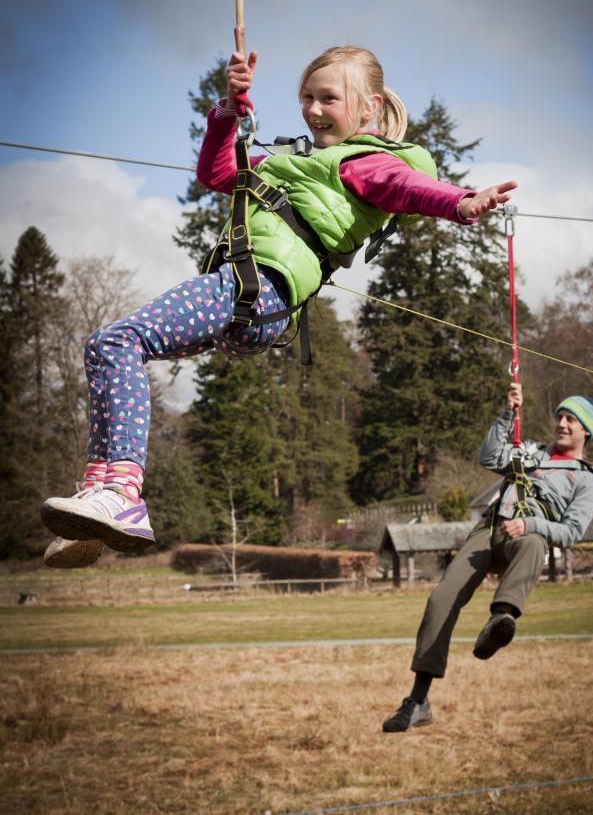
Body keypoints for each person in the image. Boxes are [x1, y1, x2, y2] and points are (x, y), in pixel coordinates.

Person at [41, 44, 517, 567]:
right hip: (249, 301)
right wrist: (227, 110)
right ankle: (98, 498)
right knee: (106, 349)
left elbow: (411, 188)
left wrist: (462, 201)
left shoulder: (365, 165)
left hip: (256, 288)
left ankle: (123, 494)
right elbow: (218, 174)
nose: (313, 110)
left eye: (328, 98)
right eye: (306, 98)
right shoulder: (291, 160)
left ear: (368, 107)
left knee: (116, 341)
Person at [382, 382, 593, 733]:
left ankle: (501, 620)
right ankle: (418, 700)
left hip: (526, 537)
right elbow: (488, 457)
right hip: (488, 530)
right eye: (560, 416)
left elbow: (573, 531)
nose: (562, 423)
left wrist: (530, 523)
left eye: (571, 419)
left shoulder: (587, 480)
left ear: (586, 430)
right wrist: (507, 415)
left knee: (533, 544)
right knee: (440, 600)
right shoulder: (528, 450)